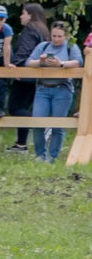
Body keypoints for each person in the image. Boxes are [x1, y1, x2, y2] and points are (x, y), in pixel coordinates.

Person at [27, 20, 82, 164]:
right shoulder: (43, 46)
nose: (56, 39)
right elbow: (29, 62)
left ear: (65, 36)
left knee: (58, 124)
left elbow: (78, 62)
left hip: (62, 88)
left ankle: (53, 157)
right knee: (38, 122)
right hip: (43, 88)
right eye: (54, 36)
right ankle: (40, 155)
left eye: (59, 36)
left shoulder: (71, 47)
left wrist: (60, 64)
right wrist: (40, 62)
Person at [11, 3, 49, 153]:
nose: (21, 16)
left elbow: (24, 50)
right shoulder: (43, 30)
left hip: (25, 74)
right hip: (37, 75)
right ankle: (21, 144)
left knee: (14, 108)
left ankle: (44, 124)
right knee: (23, 108)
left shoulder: (30, 29)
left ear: (30, 15)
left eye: (23, 13)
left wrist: (16, 67)